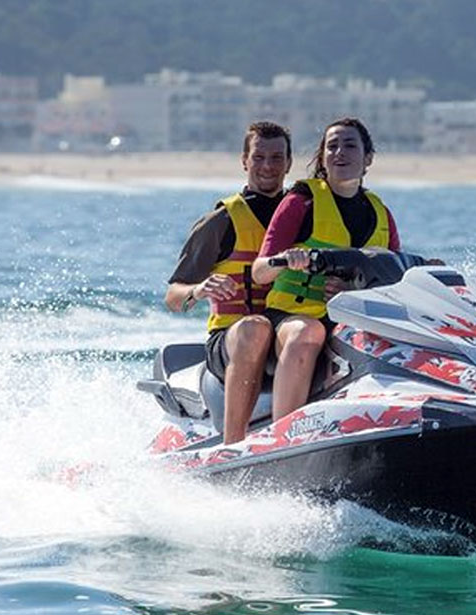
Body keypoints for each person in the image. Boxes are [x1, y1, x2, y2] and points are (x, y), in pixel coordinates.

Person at [252, 117, 401, 423]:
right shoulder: (300, 203)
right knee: (309, 332)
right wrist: (284, 260)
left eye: (349, 145)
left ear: (368, 158)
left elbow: (395, 278)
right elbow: (259, 272)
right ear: (322, 158)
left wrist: (354, 291)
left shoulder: (381, 213)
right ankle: (284, 438)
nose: (339, 152)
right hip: (292, 318)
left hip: (352, 319)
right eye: (331, 146)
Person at [164, 121, 292, 444]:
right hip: (232, 340)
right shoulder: (222, 221)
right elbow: (173, 297)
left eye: (277, 157)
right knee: (256, 328)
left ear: (289, 163)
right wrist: (199, 288)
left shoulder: (304, 214)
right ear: (244, 160)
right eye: (259, 156)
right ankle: (233, 446)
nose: (267, 166)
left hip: (286, 335)